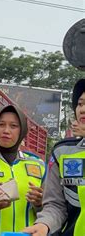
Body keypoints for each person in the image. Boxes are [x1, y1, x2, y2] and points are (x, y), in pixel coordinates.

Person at [23, 78, 85, 236]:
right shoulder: (62, 153)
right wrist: (45, 224)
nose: (82, 109)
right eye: (80, 103)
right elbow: (56, 205)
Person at [0, 105, 45, 235]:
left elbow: (54, 209)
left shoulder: (38, 165)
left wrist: (39, 204)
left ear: (22, 131)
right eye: (1, 124)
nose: (6, 130)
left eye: (13, 126)